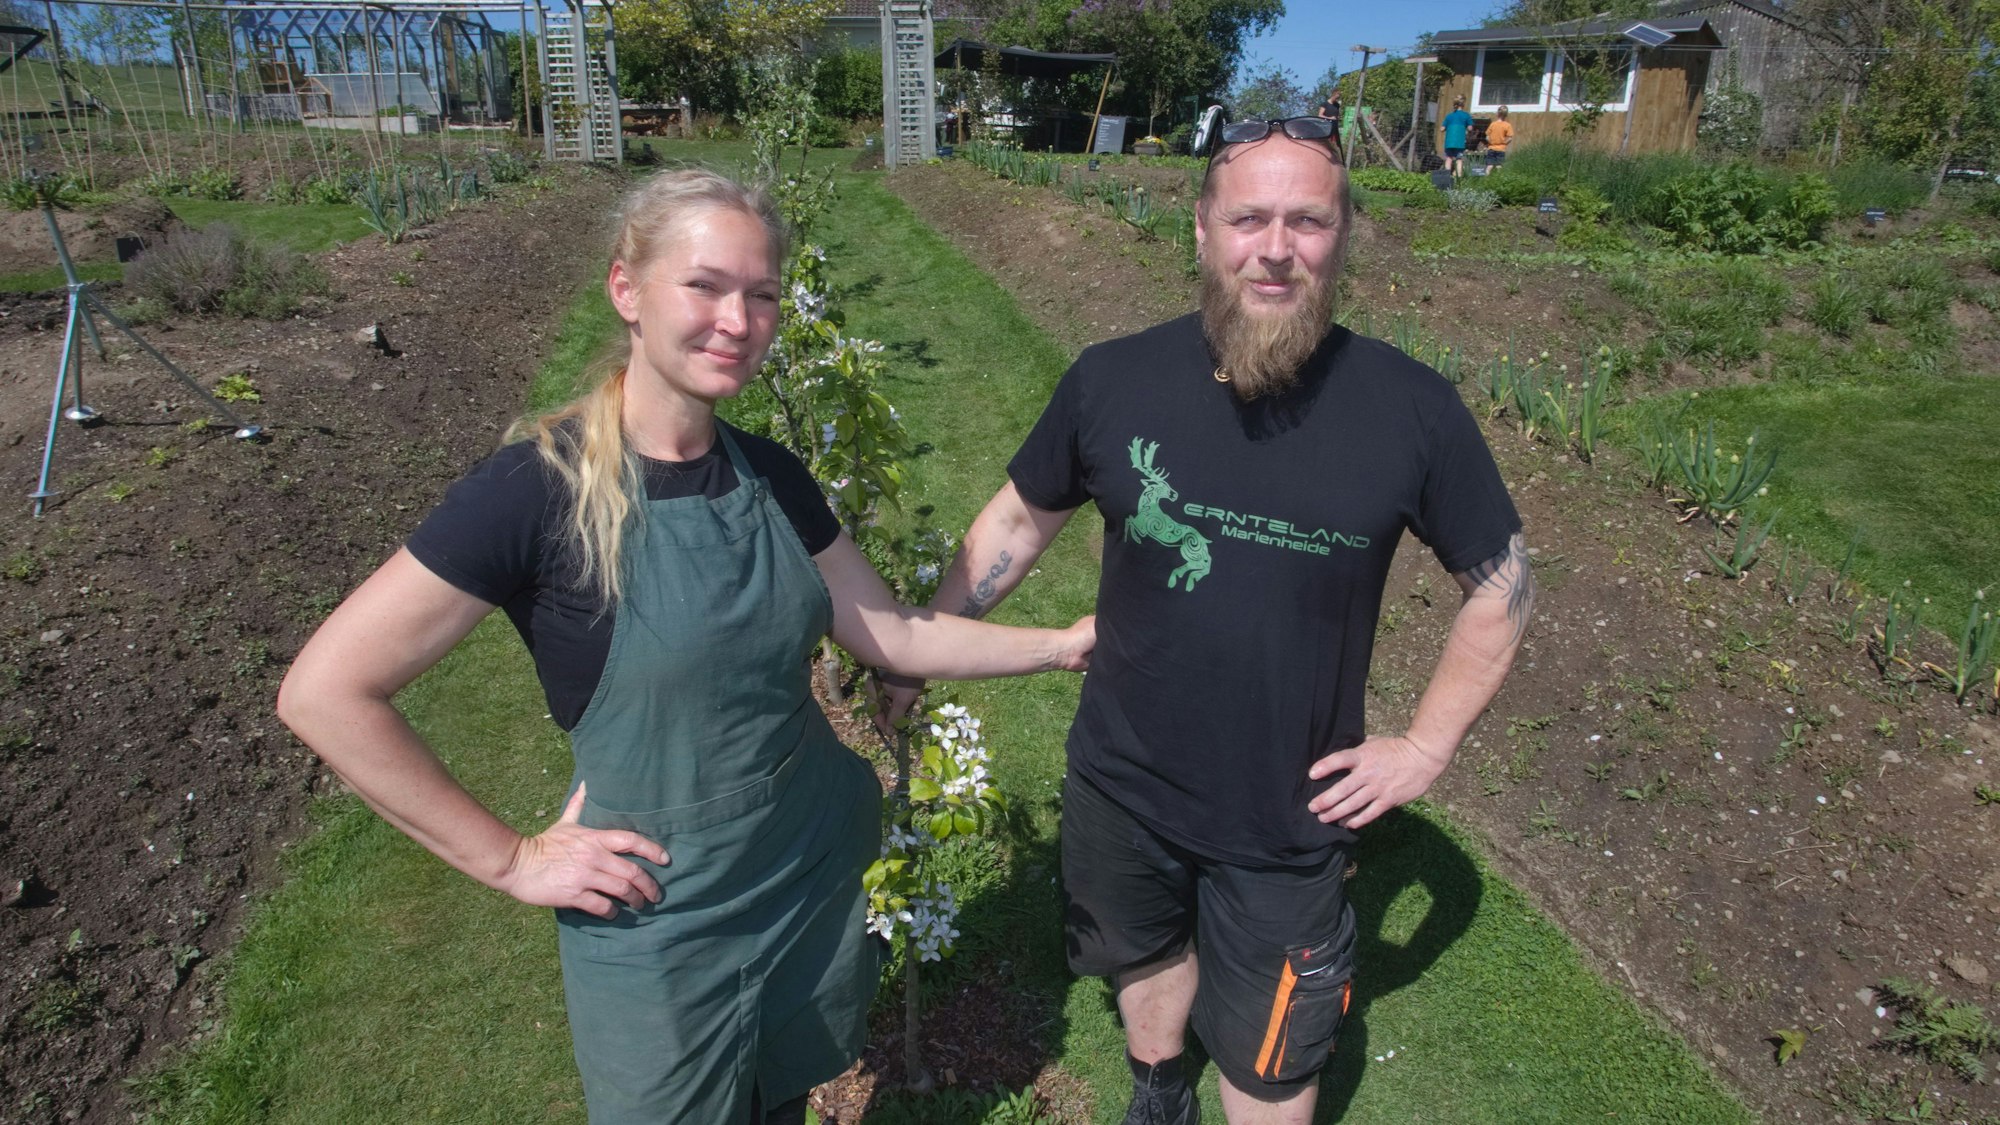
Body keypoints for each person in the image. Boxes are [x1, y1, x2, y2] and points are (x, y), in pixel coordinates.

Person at [277, 169, 1096, 1125]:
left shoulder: (771, 476)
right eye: (704, 286)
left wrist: (1065, 642)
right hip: (656, 913)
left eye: (761, 294)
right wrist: (509, 859)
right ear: (628, 290)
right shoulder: (532, 493)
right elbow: (325, 691)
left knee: (782, 1096)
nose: (738, 321)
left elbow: (887, 631)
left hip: (800, 863)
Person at [882, 116, 1532, 1124]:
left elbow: (1500, 583)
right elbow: (1016, 521)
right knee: (1139, 952)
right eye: (1249, 218)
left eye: (1306, 221)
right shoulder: (1113, 380)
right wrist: (917, 649)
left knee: (1273, 1062)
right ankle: (1156, 1085)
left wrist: (1424, 749)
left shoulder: (1409, 410)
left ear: (1342, 233)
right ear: (1200, 231)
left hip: (1288, 814)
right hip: (1120, 776)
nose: (1274, 248)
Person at [1442, 96, 1473, 177]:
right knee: (1459, 159)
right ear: (1463, 104)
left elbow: (1442, 129)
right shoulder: (1466, 115)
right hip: (1459, 142)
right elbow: (1470, 128)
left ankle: (1446, 177)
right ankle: (1458, 177)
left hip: (1449, 142)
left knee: (1449, 158)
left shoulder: (1449, 116)